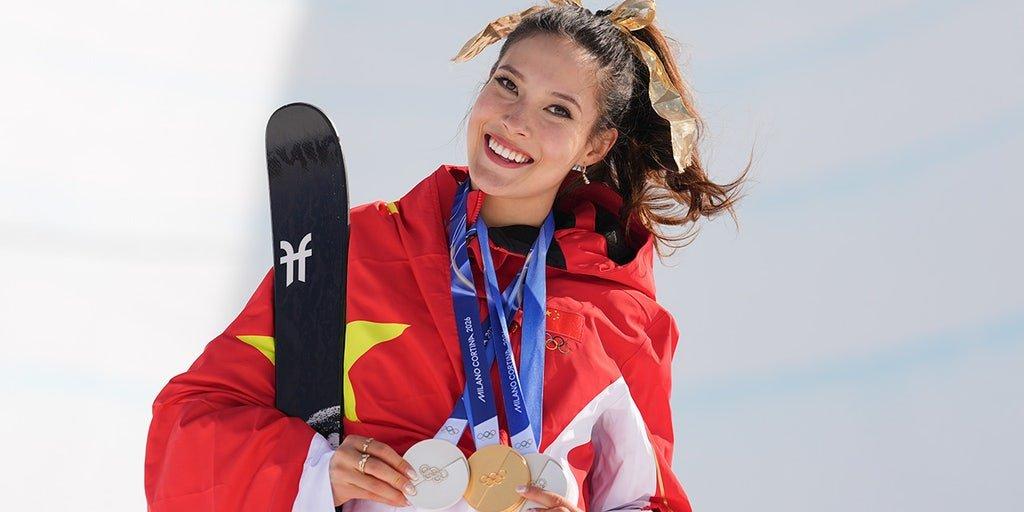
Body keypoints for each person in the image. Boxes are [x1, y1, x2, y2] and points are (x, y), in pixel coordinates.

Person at [144, 1, 748, 511]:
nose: (514, 121)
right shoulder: (359, 251)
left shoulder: (623, 319)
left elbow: (647, 499)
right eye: (507, 84)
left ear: (596, 144)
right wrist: (315, 472)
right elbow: (185, 430)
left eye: (557, 110)